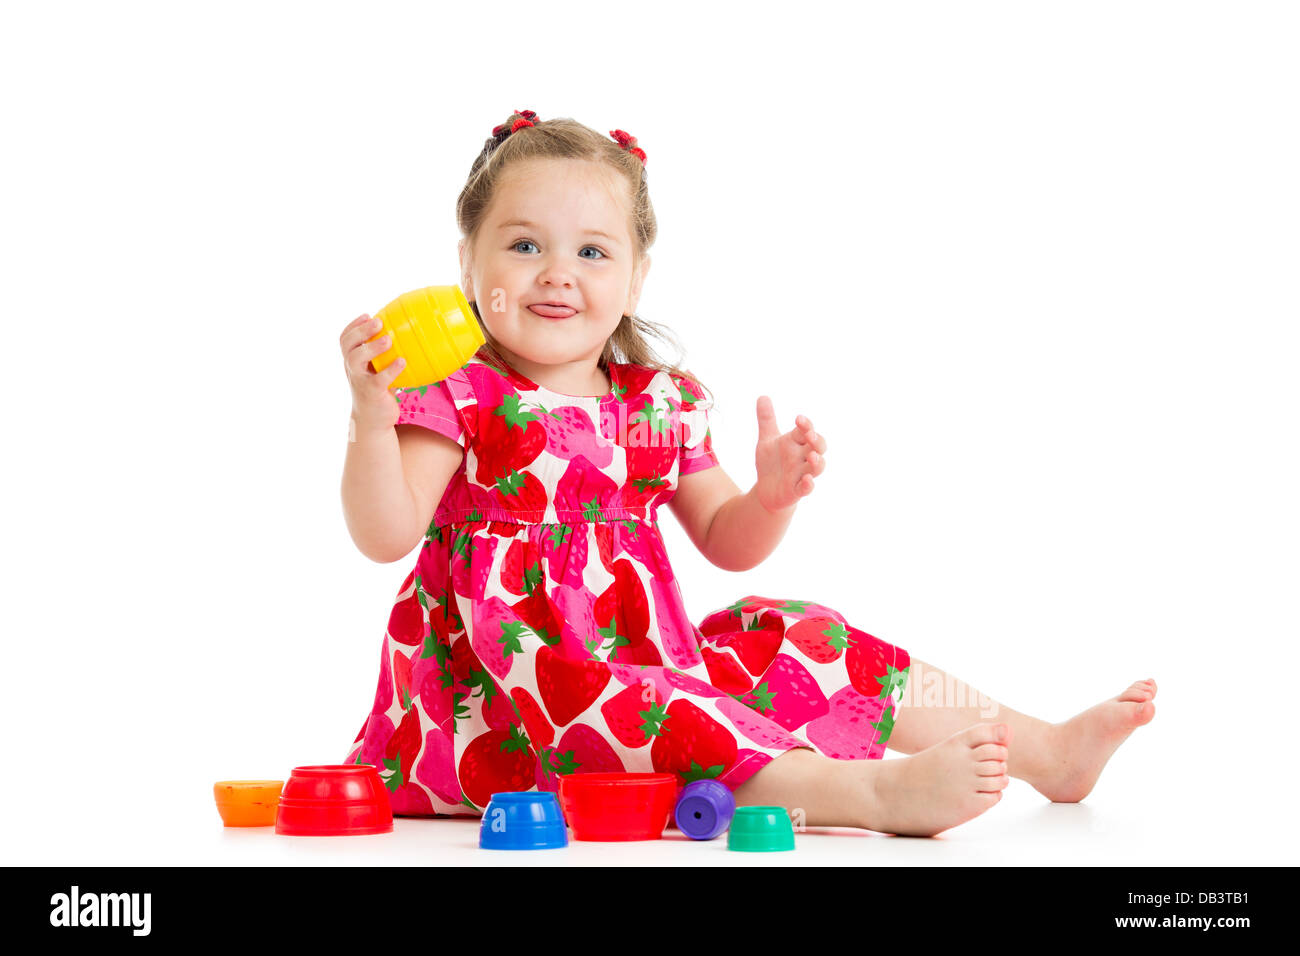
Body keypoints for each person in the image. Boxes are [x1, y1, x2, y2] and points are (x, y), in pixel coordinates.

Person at [337, 109, 1157, 837]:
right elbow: (385, 534)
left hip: (656, 667)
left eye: (592, 250)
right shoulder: (457, 396)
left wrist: (769, 499)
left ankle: (1046, 752)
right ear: (466, 263)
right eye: (524, 246)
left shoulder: (658, 401)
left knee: (800, 634)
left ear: (636, 278)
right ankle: (869, 795)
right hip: (511, 709)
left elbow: (728, 542)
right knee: (665, 711)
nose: (557, 272)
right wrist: (371, 421)